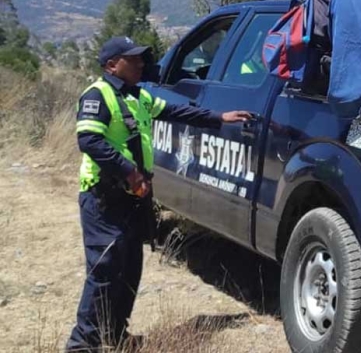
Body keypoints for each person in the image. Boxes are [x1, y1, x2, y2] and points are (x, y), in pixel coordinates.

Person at [66, 37, 251, 351]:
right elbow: (90, 141)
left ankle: (115, 335)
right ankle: (82, 344)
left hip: (132, 200)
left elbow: (177, 112)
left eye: (140, 59)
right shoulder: (98, 95)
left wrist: (219, 118)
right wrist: (129, 171)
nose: (140, 64)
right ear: (112, 65)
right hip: (103, 199)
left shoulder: (139, 97)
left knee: (128, 270)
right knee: (104, 271)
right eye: (132, 59)